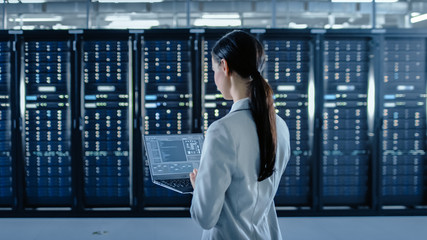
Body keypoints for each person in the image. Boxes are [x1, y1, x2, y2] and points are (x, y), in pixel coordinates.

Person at [189, 30, 291, 240]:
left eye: (213, 70)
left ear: (224, 66)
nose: (214, 79)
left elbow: (205, 217)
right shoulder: (279, 125)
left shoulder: (221, 130)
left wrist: (199, 186)